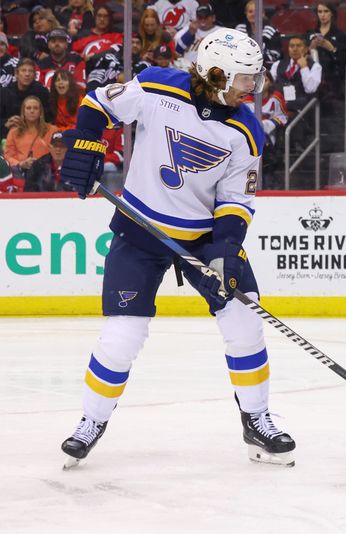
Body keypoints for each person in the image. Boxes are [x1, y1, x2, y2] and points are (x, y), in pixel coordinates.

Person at [58, 28, 295, 468]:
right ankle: (90, 422)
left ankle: (256, 417)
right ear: (217, 73)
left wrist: (224, 249)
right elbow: (98, 103)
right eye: (245, 79)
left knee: (245, 317)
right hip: (140, 229)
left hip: (204, 238)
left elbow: (236, 200)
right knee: (121, 336)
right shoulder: (156, 86)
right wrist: (88, 144)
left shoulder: (245, 131)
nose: (253, 87)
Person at [3, 95, 59, 188]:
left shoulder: (52, 130)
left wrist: (41, 164)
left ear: (40, 112)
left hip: (46, 175)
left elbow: (59, 153)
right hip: (20, 174)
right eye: (28, 108)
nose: (32, 111)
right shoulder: (13, 132)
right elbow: (8, 156)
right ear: (23, 112)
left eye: (35, 108)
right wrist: (20, 164)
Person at [0, 58, 52, 139]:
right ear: (16, 74)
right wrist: (6, 123)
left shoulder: (42, 92)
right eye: (23, 70)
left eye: (30, 71)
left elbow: (49, 118)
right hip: (9, 134)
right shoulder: (4, 93)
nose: (27, 74)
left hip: (36, 134)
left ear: (35, 75)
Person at [269, 36, 321, 114]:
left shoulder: (315, 67)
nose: (295, 49)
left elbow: (310, 89)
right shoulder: (277, 64)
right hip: (277, 106)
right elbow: (269, 84)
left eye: (298, 46)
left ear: (306, 49)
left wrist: (304, 67)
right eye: (291, 46)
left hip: (300, 110)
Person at [174, 4, 222, 71]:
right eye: (200, 17)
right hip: (188, 70)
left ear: (213, 18)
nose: (203, 20)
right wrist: (190, 34)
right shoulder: (189, 29)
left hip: (209, 72)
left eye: (206, 17)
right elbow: (178, 50)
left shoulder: (221, 32)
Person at [235, 0, 283, 66]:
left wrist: (252, 58)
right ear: (246, 14)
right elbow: (234, 50)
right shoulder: (239, 29)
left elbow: (275, 55)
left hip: (265, 68)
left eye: (256, 11)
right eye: (250, 11)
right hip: (242, 67)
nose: (253, 14)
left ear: (263, 13)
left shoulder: (271, 30)